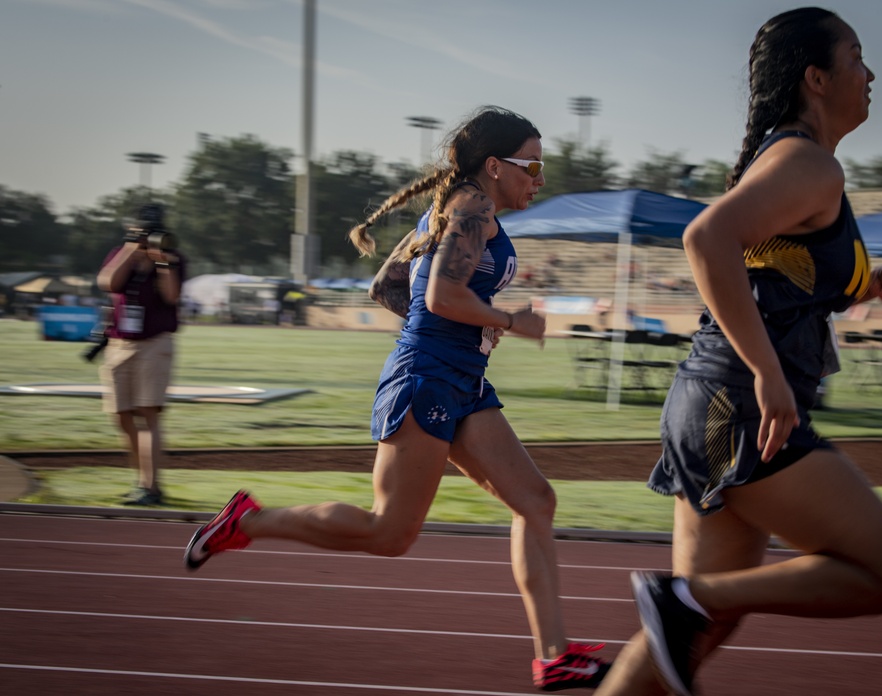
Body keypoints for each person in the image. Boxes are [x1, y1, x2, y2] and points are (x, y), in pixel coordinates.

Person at [183, 106, 610, 692]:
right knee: (390, 533)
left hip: (459, 379)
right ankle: (248, 522)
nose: (540, 178)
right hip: (429, 380)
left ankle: (554, 655)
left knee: (535, 500)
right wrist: (506, 320)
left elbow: (385, 286)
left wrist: (459, 335)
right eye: (532, 164)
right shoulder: (471, 208)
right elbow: (438, 296)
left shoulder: (453, 210)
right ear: (494, 166)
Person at [594, 8, 882, 696]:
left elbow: (782, 284)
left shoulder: (799, 162)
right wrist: (768, 374)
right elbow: (707, 241)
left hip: (714, 404)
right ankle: (684, 600)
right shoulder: (807, 163)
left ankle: (683, 605)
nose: (871, 73)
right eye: (857, 57)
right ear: (816, 78)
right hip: (740, 407)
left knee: (695, 628)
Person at [96, 203, 186, 506]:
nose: (147, 236)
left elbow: (171, 297)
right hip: (119, 344)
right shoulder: (122, 253)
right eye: (141, 230)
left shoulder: (174, 258)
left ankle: (151, 486)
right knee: (120, 415)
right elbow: (108, 283)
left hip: (154, 343)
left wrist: (162, 263)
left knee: (149, 414)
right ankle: (139, 480)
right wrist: (129, 251)